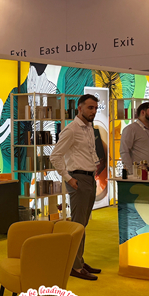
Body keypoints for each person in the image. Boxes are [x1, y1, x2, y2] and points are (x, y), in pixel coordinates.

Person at [50, 94, 101, 281]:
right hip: (78, 178)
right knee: (78, 224)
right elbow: (55, 156)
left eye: (95, 108)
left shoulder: (89, 128)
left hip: (89, 178)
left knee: (83, 223)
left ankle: (78, 260)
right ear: (79, 108)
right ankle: (75, 266)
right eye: (90, 107)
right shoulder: (71, 129)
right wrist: (68, 179)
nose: (93, 111)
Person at [120, 102, 149, 173]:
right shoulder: (131, 129)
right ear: (143, 112)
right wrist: (131, 171)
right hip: (140, 171)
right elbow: (124, 151)